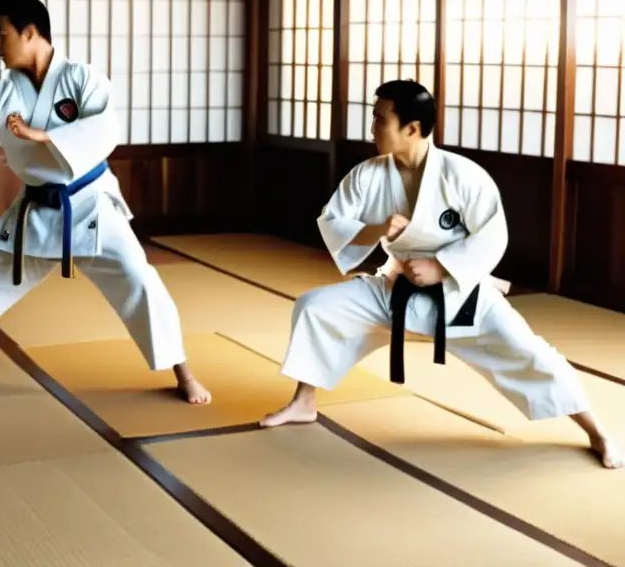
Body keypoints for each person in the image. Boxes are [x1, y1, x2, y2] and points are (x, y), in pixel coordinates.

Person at [259, 79, 622, 469]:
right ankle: (304, 401)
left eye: (380, 119)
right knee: (316, 307)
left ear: (412, 128)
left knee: (534, 355)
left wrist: (441, 266)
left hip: (462, 297)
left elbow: (493, 235)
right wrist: (377, 229)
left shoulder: (462, 175)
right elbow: (333, 222)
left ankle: (598, 432)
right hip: (394, 288)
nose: (371, 128)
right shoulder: (368, 175)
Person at [0, 0, 211, 405]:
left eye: (1, 34)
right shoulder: (3, 93)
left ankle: (184, 372)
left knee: (140, 280)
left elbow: (104, 130)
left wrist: (44, 135)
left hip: (89, 205)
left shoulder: (81, 78)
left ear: (30, 32)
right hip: (34, 210)